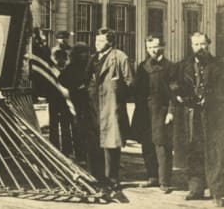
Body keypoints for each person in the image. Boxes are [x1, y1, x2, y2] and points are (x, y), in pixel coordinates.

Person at [177, 32, 224, 207]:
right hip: (193, 116)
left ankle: (217, 192)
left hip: (215, 116)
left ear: (208, 44)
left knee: (215, 153)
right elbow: (174, 85)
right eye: (196, 44)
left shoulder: (221, 66)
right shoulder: (184, 65)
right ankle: (196, 189)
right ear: (191, 46)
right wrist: (180, 95)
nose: (199, 48)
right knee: (194, 150)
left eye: (202, 44)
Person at [86, 28, 133, 195]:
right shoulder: (93, 58)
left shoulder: (120, 57)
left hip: (111, 106)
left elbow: (130, 83)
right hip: (94, 106)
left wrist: (117, 89)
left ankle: (113, 179)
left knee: (112, 144)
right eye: (96, 40)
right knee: (96, 143)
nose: (97, 44)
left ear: (110, 42)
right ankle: (98, 178)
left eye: (101, 41)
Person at [130, 36, 176, 193]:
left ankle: (165, 181)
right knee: (147, 144)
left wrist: (171, 112)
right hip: (144, 111)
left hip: (161, 111)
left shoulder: (170, 67)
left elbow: (174, 93)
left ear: (163, 46)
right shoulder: (143, 66)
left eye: (156, 47)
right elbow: (135, 89)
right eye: (150, 48)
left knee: (162, 145)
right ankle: (152, 177)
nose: (153, 51)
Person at [59, 42, 92, 163]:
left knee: (83, 130)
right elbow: (62, 82)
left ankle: (83, 154)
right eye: (82, 53)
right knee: (76, 129)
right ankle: (77, 154)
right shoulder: (71, 68)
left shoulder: (88, 66)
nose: (85, 55)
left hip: (84, 103)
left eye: (86, 53)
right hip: (73, 102)